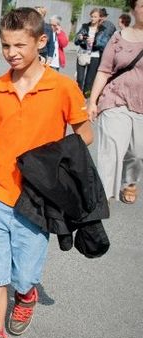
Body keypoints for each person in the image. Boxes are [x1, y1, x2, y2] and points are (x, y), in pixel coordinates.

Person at [0, 7, 93, 338]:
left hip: (38, 200)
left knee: (24, 271)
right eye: (5, 44)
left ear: (40, 42)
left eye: (19, 44)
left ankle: (27, 295)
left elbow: (85, 133)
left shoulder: (62, 87)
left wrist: (53, 164)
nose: (11, 52)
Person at [87, 0, 143, 205]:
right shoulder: (118, 37)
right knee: (111, 148)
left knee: (137, 152)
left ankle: (129, 182)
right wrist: (92, 102)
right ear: (133, 9)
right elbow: (104, 70)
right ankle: (104, 195)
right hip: (115, 98)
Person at [74, 8, 110, 96]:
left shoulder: (103, 29)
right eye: (92, 16)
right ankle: (77, 97)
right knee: (80, 78)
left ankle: (86, 99)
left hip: (94, 56)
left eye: (95, 17)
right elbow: (75, 41)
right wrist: (79, 38)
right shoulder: (84, 26)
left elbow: (105, 44)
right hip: (82, 53)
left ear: (99, 18)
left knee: (89, 81)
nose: (92, 19)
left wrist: (94, 42)